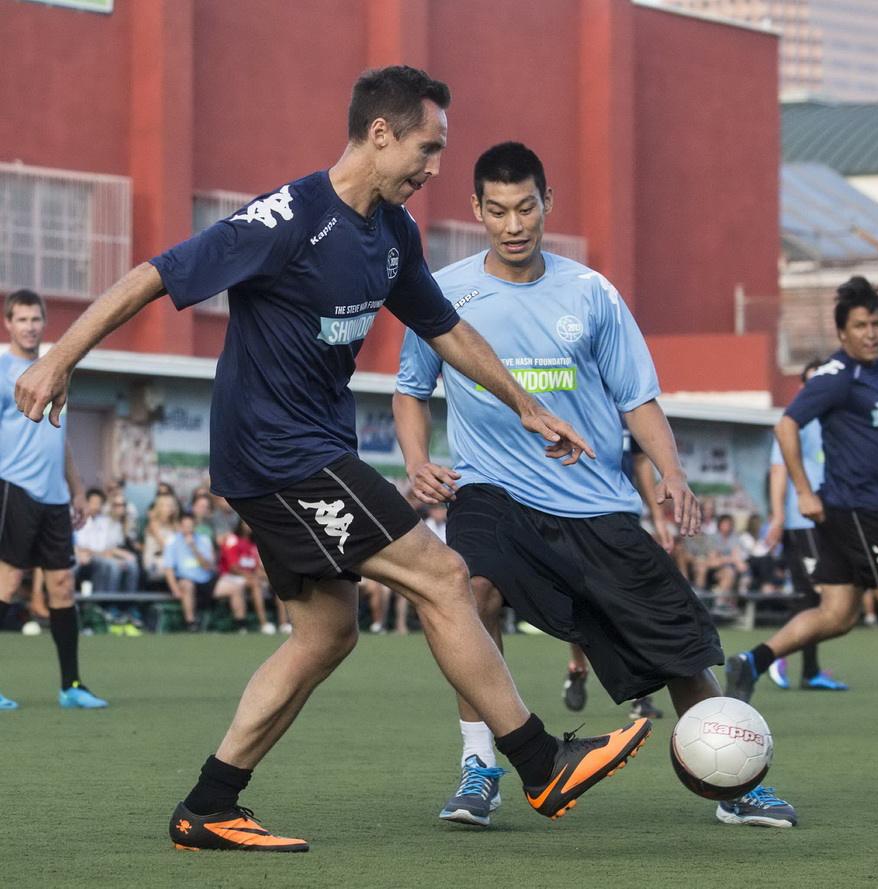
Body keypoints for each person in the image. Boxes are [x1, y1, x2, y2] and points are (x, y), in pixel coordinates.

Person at [14, 68, 648, 851]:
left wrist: (527, 403)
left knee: (327, 632)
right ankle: (539, 759)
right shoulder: (286, 218)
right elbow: (157, 275)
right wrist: (58, 359)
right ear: (380, 134)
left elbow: (446, 329)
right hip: (275, 452)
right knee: (443, 575)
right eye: (428, 147)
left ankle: (209, 805)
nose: (435, 168)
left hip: (314, 446)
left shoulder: (393, 233)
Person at [394, 141, 796, 828]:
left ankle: (732, 781)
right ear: (476, 210)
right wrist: (415, 459)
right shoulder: (445, 292)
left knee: (679, 644)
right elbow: (410, 388)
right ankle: (479, 766)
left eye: (526, 208)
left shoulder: (591, 293)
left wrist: (670, 472)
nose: (514, 224)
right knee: (468, 588)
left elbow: (638, 397)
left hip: (595, 503)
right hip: (492, 491)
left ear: (547, 203)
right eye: (498, 210)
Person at [725, 277, 878, 742]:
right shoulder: (836, 377)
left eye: (877, 324)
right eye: (860, 325)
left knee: (838, 614)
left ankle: (750, 662)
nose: (871, 333)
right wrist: (803, 491)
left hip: (857, 511)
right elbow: (787, 426)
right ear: (842, 333)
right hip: (863, 511)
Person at [0, 289, 108, 710]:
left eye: (35, 319)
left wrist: (77, 490)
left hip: (55, 497)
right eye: (21, 319)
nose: (30, 326)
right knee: (7, 584)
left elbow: (57, 435)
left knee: (62, 587)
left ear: (45, 323)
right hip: (14, 487)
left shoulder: (57, 370)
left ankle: (72, 686)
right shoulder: (3, 370)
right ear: (9, 324)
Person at [564, 433, 670, 720]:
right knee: (581, 601)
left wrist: (658, 518)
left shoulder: (626, 406)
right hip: (569, 513)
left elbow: (641, 461)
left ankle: (642, 696)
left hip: (620, 516)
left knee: (630, 606)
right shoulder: (567, 396)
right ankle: (578, 667)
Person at [762, 360, 848, 692]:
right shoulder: (795, 422)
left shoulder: (833, 420)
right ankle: (772, 656)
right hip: (804, 520)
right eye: (814, 382)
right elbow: (778, 470)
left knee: (817, 598)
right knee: (819, 596)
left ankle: (809, 671)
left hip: (830, 519)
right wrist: (779, 517)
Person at [74, 487, 140, 596]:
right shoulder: (79, 520)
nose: (96, 506)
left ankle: (128, 604)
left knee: (132, 564)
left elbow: (110, 547)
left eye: (99, 503)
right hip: (87, 557)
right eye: (93, 503)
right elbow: (82, 548)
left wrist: (112, 555)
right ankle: (106, 603)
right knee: (113, 565)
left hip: (104, 555)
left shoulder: (105, 521)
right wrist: (105, 555)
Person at [163, 513, 219, 632]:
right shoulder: (172, 541)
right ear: (180, 526)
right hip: (185, 580)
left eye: (190, 526)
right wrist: (174, 589)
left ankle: (241, 625)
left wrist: (194, 548)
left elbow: (208, 567)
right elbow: (168, 568)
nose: (188, 529)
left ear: (194, 526)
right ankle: (191, 622)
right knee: (187, 585)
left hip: (205, 580)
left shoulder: (204, 540)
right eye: (185, 526)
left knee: (236, 586)